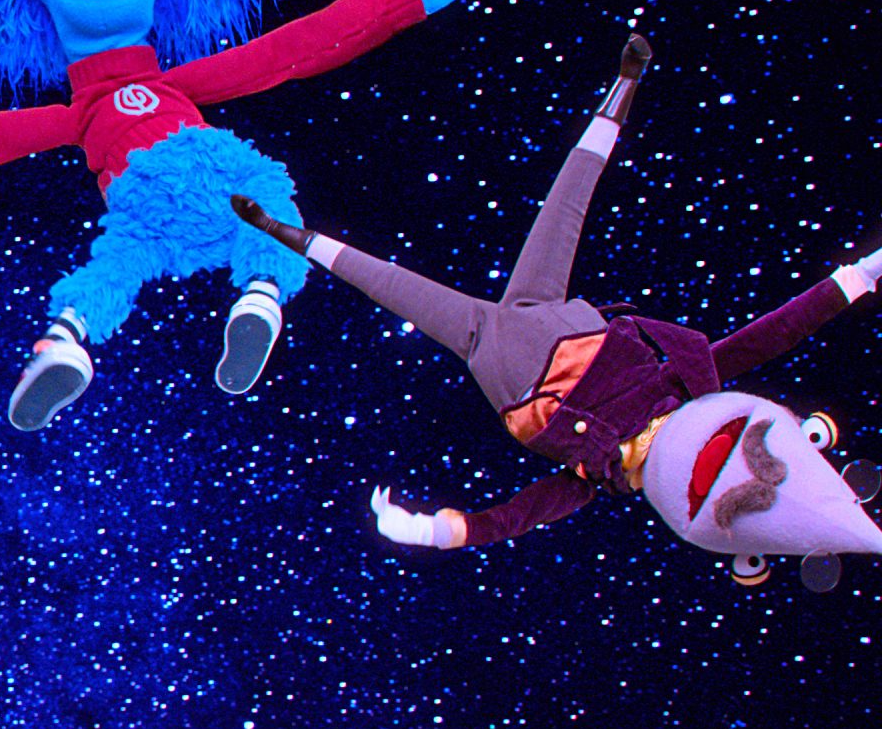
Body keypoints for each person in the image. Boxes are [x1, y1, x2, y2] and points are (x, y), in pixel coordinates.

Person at [235, 35, 882, 580]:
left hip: (495, 353)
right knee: (568, 197)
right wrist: (858, 278)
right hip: (554, 313)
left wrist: (438, 530)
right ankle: (625, 84)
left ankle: (282, 232)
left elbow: (523, 512)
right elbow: (774, 333)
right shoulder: (687, 379)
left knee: (388, 280)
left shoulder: (596, 474)